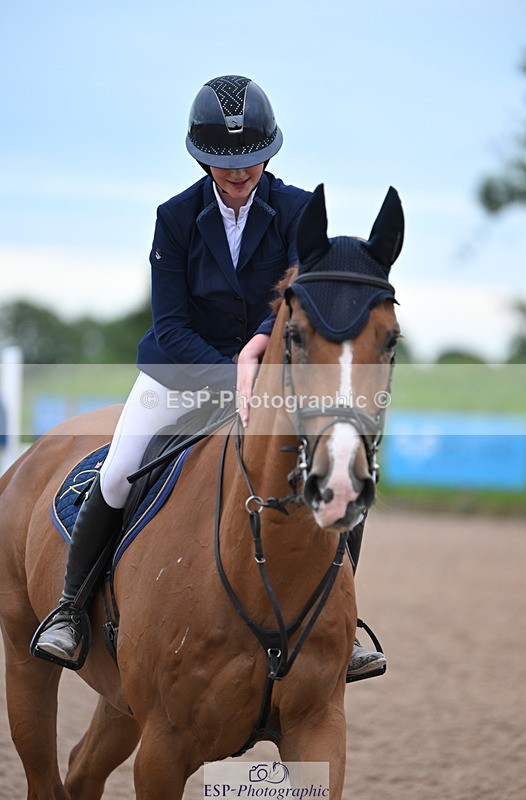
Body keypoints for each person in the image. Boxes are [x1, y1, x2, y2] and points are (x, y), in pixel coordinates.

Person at [33, 74, 385, 680]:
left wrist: (256, 347)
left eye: (250, 161)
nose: (239, 173)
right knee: (118, 469)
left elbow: (302, 300)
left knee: (339, 465)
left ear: (269, 152)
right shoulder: (174, 218)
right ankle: (69, 609)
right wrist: (231, 375)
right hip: (181, 372)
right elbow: (169, 325)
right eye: (225, 165)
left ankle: (344, 625)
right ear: (201, 158)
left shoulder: (300, 210)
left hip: (273, 374)